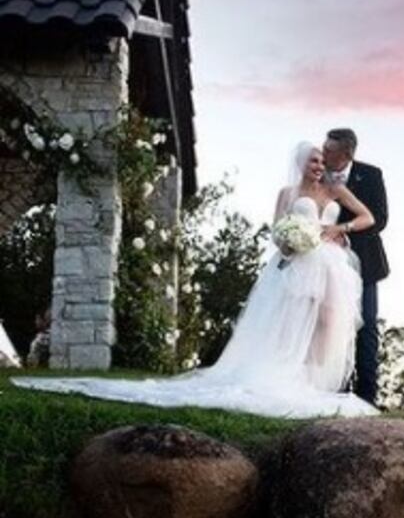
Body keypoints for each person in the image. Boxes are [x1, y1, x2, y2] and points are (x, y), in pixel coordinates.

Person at [11, 142, 379, 418]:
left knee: (328, 324)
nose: (317, 165)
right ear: (301, 164)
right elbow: (276, 230)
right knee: (291, 322)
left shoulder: (334, 191)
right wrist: (287, 242)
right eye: (312, 160)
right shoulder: (288, 193)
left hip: (328, 262)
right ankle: (288, 378)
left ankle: (314, 384)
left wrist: (337, 228)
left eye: (320, 160)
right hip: (296, 262)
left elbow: (367, 217)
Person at [322, 128, 389, 406]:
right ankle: (334, 387)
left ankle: (367, 396)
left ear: (346, 154)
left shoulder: (371, 175)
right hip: (326, 263)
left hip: (364, 263)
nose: (323, 153)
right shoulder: (317, 174)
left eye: (329, 150)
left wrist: (344, 234)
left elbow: (380, 219)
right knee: (330, 324)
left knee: (367, 324)